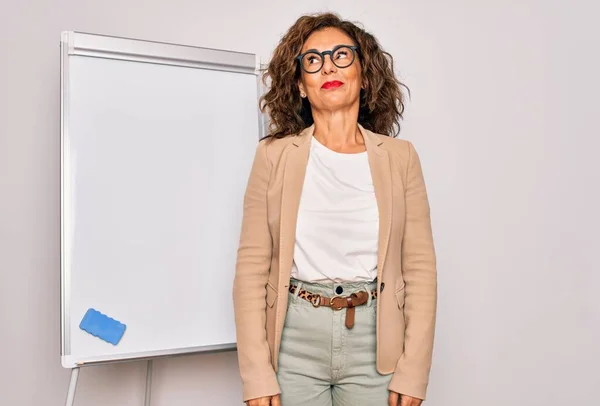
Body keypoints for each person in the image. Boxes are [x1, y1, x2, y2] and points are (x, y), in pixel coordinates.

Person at [233, 12, 437, 406]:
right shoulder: (273, 156)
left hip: (377, 344)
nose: (328, 66)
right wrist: (256, 373)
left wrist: (414, 369)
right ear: (301, 86)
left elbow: (420, 270)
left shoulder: (401, 157)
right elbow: (250, 270)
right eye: (312, 60)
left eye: (341, 55)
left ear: (363, 72)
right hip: (293, 342)